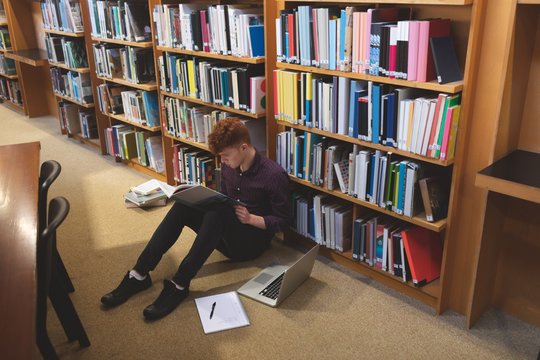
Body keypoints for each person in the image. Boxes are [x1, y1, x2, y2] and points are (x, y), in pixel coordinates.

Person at [101, 118, 291, 320]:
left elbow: (283, 221)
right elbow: (225, 198)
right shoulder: (228, 166)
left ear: (244, 148)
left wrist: (251, 219)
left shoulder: (274, 175)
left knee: (218, 212)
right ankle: (139, 273)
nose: (223, 162)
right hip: (225, 230)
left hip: (251, 243)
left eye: (226, 156)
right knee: (184, 205)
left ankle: (179, 284)